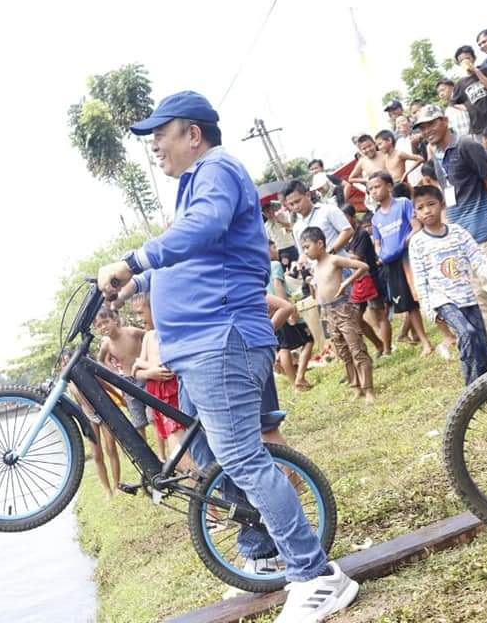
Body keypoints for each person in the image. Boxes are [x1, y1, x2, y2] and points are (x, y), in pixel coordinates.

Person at [99, 90, 358, 621]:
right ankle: (275, 557)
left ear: (193, 134)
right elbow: (192, 255)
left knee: (243, 457)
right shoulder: (196, 184)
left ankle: (315, 575)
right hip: (202, 347)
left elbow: (204, 230)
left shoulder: (216, 169)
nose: (155, 149)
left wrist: (134, 259)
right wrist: (135, 281)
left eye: (160, 136)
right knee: (219, 459)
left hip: (223, 339)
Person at [415, 104, 487, 358]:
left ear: (444, 120)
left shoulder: (466, 144)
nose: (427, 130)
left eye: (431, 123)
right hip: (458, 231)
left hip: (480, 224)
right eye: (422, 127)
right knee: (476, 290)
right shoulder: (436, 153)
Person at [408, 186, 487, 384]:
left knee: (482, 343)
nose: (427, 211)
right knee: (467, 333)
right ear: (415, 213)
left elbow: (478, 259)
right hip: (444, 300)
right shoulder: (417, 243)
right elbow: (420, 278)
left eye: (431, 204)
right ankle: (470, 386)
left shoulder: (457, 232)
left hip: (467, 296)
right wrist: (428, 308)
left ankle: (485, 386)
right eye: (420, 208)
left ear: (442, 205)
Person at [300, 226, 376, 403]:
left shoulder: (334, 260)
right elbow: (317, 292)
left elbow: (363, 266)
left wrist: (346, 282)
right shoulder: (315, 267)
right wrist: (311, 284)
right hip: (327, 312)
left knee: (356, 348)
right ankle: (355, 386)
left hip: (342, 308)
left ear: (320, 244)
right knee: (343, 352)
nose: (306, 251)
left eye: (307, 247)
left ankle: (368, 389)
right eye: (303, 248)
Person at [368, 171, 435, 357]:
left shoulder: (404, 204)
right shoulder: (375, 218)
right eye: (370, 189)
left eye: (377, 186)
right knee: (409, 305)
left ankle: (448, 333)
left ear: (389, 186)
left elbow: (416, 227)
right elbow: (377, 243)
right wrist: (381, 254)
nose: (374, 192)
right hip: (391, 264)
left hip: (409, 256)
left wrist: (403, 244)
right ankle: (425, 342)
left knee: (426, 293)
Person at [131, 293, 186, 463]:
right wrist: (148, 372)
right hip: (156, 398)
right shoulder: (148, 336)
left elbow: (166, 367)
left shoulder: (170, 332)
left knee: (179, 445)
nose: (139, 318)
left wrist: (143, 364)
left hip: (173, 397)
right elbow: (135, 372)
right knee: (173, 445)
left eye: (141, 313)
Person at [61, 350, 122, 500]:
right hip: (88, 416)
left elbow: (107, 387)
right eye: (63, 364)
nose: (65, 365)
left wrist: (121, 398)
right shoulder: (69, 383)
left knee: (111, 448)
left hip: (103, 413)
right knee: (96, 455)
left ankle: (117, 485)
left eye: (67, 362)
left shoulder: (87, 374)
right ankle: (107, 490)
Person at [95, 307, 151, 439]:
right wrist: (115, 373)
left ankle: (162, 454)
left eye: (105, 321)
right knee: (138, 422)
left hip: (145, 375)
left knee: (154, 416)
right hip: (127, 382)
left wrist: (147, 358)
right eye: (99, 325)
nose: (103, 326)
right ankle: (148, 457)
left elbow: (149, 337)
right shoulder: (106, 345)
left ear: (114, 320)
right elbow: (101, 360)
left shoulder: (131, 332)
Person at [342, 204, 390, 357]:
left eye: (344, 218)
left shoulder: (361, 234)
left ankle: (387, 349)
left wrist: (339, 254)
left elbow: (357, 258)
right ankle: (379, 344)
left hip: (371, 278)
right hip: (358, 281)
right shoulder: (346, 237)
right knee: (356, 318)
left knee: (379, 314)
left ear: (352, 217)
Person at [268, 240, 315, 391]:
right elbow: (277, 285)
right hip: (281, 309)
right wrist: (288, 309)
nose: (277, 250)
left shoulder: (256, 269)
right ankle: (299, 378)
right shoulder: (274, 265)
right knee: (308, 339)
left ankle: (294, 382)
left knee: (283, 347)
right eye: (274, 247)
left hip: (269, 312)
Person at [283, 180, 354, 256]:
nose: (295, 207)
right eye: (291, 204)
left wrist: (330, 253)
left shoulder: (328, 210)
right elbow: (303, 253)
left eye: (297, 201)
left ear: (308, 195)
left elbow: (348, 231)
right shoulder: (297, 228)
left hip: (341, 264)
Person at [263, 200, 300, 269]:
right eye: (266, 212)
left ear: (273, 209)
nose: (269, 213)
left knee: (297, 266)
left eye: (269, 210)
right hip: (279, 250)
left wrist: (280, 221)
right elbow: (269, 240)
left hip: (290, 245)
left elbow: (291, 226)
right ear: (264, 214)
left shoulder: (283, 215)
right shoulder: (266, 226)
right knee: (286, 269)